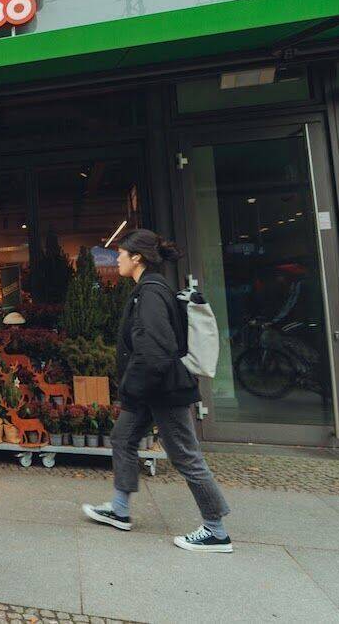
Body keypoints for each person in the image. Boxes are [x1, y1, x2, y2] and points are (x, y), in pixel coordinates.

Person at [82, 229, 233, 553]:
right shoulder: (150, 288)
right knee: (123, 438)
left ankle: (216, 530)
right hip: (151, 388)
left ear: (137, 257)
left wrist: (130, 389)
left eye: (121, 253)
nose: (117, 258)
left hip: (162, 389)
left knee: (186, 456)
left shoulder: (151, 292)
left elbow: (156, 350)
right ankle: (120, 510)